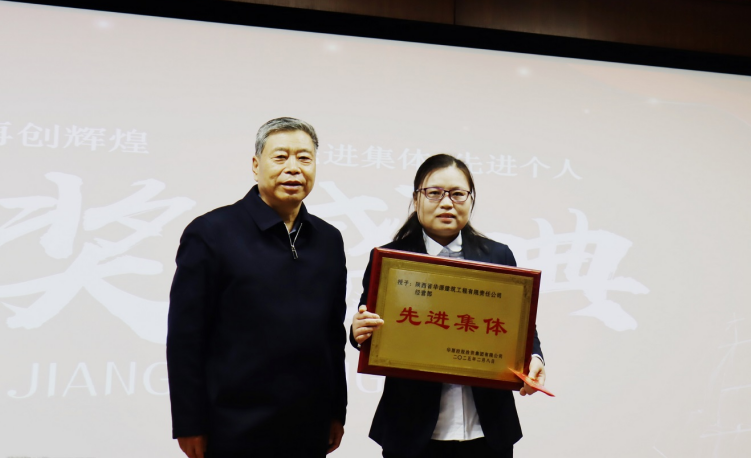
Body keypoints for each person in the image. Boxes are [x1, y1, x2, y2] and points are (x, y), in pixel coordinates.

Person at [166, 117, 348, 458]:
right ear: (255, 165)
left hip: (308, 424)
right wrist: (190, 422)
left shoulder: (328, 240)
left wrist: (336, 410)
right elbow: (185, 337)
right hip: (233, 425)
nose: (293, 168)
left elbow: (332, 335)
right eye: (280, 157)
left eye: (304, 158)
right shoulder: (211, 233)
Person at [350, 154, 546, 458]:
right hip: (411, 429)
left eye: (457, 194)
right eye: (434, 193)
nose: (446, 203)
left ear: (471, 200)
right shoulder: (389, 260)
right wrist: (358, 330)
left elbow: (519, 326)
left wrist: (534, 357)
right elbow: (368, 328)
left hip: (487, 428)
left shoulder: (498, 257)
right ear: (416, 199)